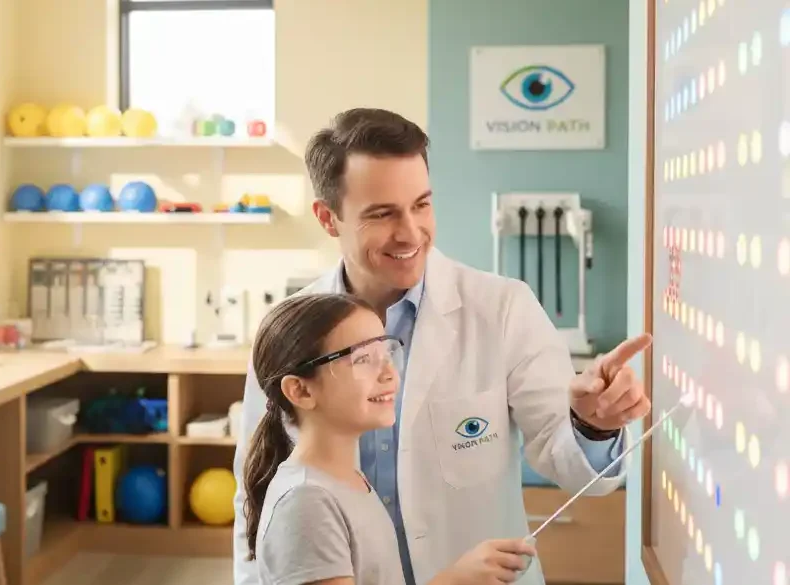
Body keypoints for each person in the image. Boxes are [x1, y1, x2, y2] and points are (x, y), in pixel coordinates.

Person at [233, 108, 652, 585]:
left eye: (421, 205)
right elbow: (258, 488)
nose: (411, 232)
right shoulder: (290, 331)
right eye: (382, 214)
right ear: (329, 218)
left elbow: (574, 469)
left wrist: (592, 427)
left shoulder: (502, 309)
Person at [244, 292, 537, 585]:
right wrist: (454, 580)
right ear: (301, 391)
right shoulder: (306, 502)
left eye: (387, 354)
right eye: (362, 359)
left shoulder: (347, 481)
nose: (389, 373)